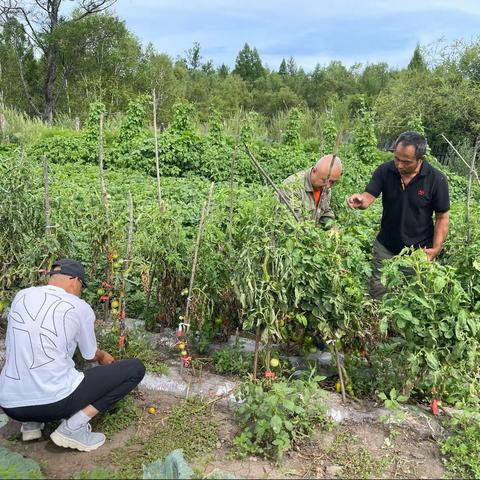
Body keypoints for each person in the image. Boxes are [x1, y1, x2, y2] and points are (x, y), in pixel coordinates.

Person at [0, 259, 145, 452]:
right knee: (135, 369)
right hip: (53, 403)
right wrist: (102, 356)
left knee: (38, 351)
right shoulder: (79, 306)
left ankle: (32, 424)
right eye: (81, 287)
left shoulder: (22, 296)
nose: (80, 292)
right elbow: (89, 354)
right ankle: (72, 428)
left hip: (10, 404)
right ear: (75, 280)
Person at [347, 131, 450, 298]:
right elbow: (368, 196)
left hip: (418, 252)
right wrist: (360, 200)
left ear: (420, 160)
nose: (399, 165)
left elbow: (442, 218)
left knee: (415, 298)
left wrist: (435, 249)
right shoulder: (385, 170)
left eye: (406, 162)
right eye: (396, 158)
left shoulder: (436, 180)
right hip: (386, 247)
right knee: (378, 293)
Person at [279, 154, 343, 226]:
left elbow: (325, 210)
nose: (328, 186)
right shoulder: (292, 186)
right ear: (314, 171)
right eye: (324, 180)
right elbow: (293, 222)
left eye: (332, 182)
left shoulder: (325, 187)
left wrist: (332, 227)